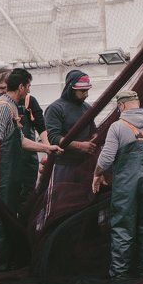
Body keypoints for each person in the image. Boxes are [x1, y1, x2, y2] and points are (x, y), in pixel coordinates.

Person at [0, 70, 61, 271]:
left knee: (9, 214)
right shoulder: (2, 108)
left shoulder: (11, 106)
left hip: (11, 174)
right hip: (2, 175)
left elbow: (20, 140)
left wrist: (46, 148)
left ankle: (5, 263)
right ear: (21, 87)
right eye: (28, 86)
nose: (28, 90)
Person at [92, 90, 143, 278]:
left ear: (121, 106)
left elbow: (106, 159)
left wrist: (97, 174)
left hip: (125, 187)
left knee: (122, 226)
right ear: (137, 103)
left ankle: (119, 275)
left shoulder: (117, 127)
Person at [39, 70, 98, 229]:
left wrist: (93, 140)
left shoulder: (87, 108)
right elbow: (54, 138)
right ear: (71, 88)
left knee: (82, 206)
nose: (86, 94)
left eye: (87, 90)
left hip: (84, 167)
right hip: (62, 166)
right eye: (82, 91)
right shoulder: (55, 108)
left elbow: (94, 131)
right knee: (60, 205)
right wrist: (81, 145)